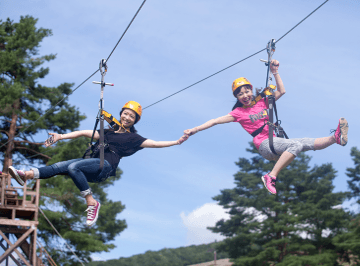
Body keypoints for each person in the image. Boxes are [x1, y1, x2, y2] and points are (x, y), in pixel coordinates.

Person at [9, 101, 189, 226]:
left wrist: (176, 141)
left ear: (135, 121)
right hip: (91, 164)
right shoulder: (107, 133)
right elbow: (82, 132)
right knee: (60, 166)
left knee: (73, 167)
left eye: (131, 116)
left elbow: (155, 144)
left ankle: (91, 202)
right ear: (121, 114)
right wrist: (60, 136)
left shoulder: (133, 138)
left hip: (105, 166)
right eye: (125, 113)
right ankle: (26, 175)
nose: (127, 117)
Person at [183, 60, 349, 195]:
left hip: (274, 141)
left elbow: (282, 91)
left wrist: (275, 72)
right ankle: (271, 176)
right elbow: (213, 121)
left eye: (247, 91)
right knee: (296, 145)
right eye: (240, 94)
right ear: (237, 98)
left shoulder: (263, 101)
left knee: (304, 142)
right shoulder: (238, 113)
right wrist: (193, 130)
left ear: (251, 90)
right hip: (263, 145)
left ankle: (335, 138)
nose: (245, 96)